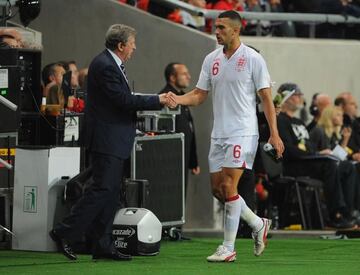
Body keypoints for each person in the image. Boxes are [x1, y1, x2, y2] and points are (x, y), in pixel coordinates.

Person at [168, 10, 284, 262]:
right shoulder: (211, 59)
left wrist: (274, 134)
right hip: (219, 133)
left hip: (243, 131)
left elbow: (265, 98)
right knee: (219, 191)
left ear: (236, 29)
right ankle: (257, 223)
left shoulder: (253, 58)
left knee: (229, 186)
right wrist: (178, 99)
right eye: (215, 27)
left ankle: (228, 247)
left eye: (221, 27)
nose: (216, 31)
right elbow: (199, 94)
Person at [50, 24, 171, 261]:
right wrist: (158, 99)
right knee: (102, 189)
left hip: (114, 138)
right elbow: (122, 100)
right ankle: (64, 232)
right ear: (121, 45)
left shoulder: (109, 63)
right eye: (132, 44)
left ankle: (102, 245)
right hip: (107, 138)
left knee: (111, 193)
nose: (135, 48)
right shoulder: (105, 65)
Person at [277, 84, 355, 228]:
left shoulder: (299, 122)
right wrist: (315, 154)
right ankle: (334, 215)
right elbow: (288, 149)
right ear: (286, 98)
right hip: (294, 164)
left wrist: (317, 153)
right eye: (297, 95)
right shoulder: (280, 120)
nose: (301, 98)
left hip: (308, 160)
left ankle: (348, 212)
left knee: (348, 167)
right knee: (329, 166)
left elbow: (309, 146)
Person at [159, 63, 201, 186]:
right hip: (171, 161)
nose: (189, 77)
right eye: (184, 74)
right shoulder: (165, 98)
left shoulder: (182, 96)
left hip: (183, 158)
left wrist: (193, 161)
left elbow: (189, 129)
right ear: (172, 77)